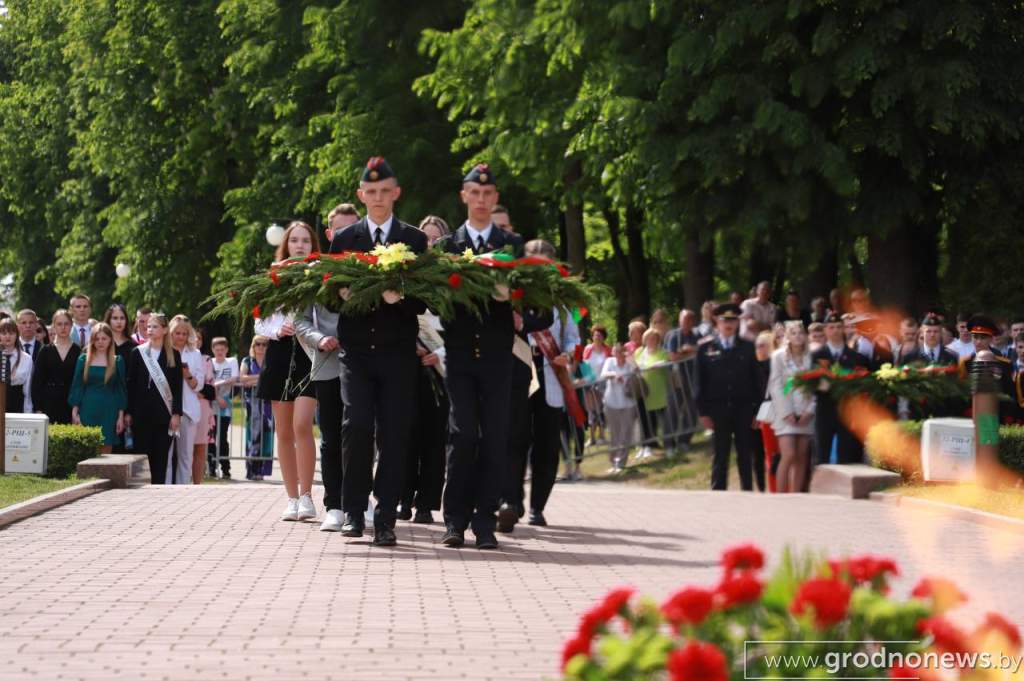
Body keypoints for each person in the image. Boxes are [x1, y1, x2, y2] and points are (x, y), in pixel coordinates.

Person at [329, 157, 428, 546]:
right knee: (355, 426)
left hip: (397, 354)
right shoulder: (345, 239)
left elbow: (423, 300)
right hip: (356, 352)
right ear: (360, 195)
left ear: (396, 193)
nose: (378, 198)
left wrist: (398, 297)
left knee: (394, 433)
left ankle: (385, 515)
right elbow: (328, 297)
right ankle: (355, 511)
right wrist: (341, 295)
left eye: (385, 191)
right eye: (371, 192)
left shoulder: (415, 240)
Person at [438, 162, 521, 550]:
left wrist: (514, 303)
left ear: (496, 198)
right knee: (463, 433)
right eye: (475, 193)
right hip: (459, 355)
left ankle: (484, 522)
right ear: (464, 196)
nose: (482, 200)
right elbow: (430, 299)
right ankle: (454, 520)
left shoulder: (512, 247)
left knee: (493, 438)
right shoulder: (447, 248)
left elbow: (541, 308)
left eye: (489, 194)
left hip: (497, 357)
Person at [256, 221, 320, 522]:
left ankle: (307, 495)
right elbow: (258, 321)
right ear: (286, 244)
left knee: (302, 425)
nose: (299, 245)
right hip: (280, 353)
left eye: (305, 240)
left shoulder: (322, 275)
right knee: (282, 431)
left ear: (312, 244)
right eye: (294, 240)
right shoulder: (273, 276)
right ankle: (292, 498)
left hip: (309, 355)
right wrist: (276, 328)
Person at [294, 288, 346, 527]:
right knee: (331, 438)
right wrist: (319, 339)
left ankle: (360, 498)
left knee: (362, 433)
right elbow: (301, 321)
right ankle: (334, 505)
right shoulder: (316, 280)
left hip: (362, 364)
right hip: (327, 367)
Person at [696, 303, 761, 490]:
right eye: (725, 320)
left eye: (733, 320)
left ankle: (747, 491)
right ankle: (718, 493)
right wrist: (703, 412)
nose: (729, 324)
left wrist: (758, 411)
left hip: (744, 408)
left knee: (744, 452)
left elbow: (757, 382)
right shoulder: (706, 348)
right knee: (720, 453)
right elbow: (699, 382)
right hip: (718, 409)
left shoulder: (748, 347)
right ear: (717, 321)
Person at [125, 313, 183, 485]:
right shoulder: (138, 353)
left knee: (160, 458)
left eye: (155, 326)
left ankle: (158, 491)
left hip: (163, 415)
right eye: (148, 326)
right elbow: (131, 385)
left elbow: (178, 387)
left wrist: (176, 413)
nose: (149, 330)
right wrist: (128, 411)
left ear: (165, 330)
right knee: (142, 456)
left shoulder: (173, 354)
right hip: (141, 414)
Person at [810, 313, 868, 465]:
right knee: (821, 456)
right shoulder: (815, 356)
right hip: (824, 410)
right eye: (831, 327)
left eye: (838, 327)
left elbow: (864, 385)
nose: (835, 330)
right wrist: (818, 386)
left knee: (846, 456)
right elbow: (807, 383)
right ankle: (819, 488)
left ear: (843, 329)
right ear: (825, 330)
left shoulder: (857, 357)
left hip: (846, 412)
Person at [767, 322, 815, 493]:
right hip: (785, 412)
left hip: (806, 411)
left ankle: (796, 495)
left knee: (802, 457)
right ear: (787, 336)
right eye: (793, 333)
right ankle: (781, 496)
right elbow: (776, 385)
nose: (797, 336)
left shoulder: (812, 356)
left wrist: (809, 411)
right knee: (788, 455)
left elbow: (817, 385)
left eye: (800, 332)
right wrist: (786, 412)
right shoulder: (778, 357)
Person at [69, 322, 126, 454]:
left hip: (109, 410)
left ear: (110, 340)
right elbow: (77, 386)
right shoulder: (83, 359)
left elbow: (121, 390)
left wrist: (120, 416)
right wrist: (74, 412)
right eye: (97, 339)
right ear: (92, 340)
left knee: (106, 449)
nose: (100, 342)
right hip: (87, 408)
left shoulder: (117, 361)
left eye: (104, 338)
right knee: (85, 450)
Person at [164, 316, 204, 485]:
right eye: (177, 333)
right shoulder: (163, 351)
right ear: (170, 333)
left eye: (184, 333)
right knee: (165, 454)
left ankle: (183, 491)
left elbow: (199, 384)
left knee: (186, 456)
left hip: (188, 411)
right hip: (166, 408)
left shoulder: (195, 354)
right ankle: (164, 489)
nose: (180, 337)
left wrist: (186, 374)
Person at [958, 315, 1016, 423]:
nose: (978, 342)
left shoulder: (1004, 363)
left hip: (997, 417)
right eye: (975, 337)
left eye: (983, 337)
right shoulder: (965, 363)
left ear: (990, 339)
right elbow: (962, 395)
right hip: (971, 417)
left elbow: (1010, 394)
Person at [31, 309, 81, 425]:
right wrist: (38, 409)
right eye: (59, 324)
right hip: (48, 403)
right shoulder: (45, 351)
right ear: (53, 326)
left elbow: (80, 382)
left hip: (70, 404)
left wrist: (77, 408)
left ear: (71, 325)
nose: (63, 327)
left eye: (66, 324)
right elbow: (37, 381)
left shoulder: (78, 351)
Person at [239, 335, 274, 482]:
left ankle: (262, 469)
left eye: (264, 344)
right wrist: (262, 378)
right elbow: (243, 379)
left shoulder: (271, 360)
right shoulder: (247, 361)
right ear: (253, 346)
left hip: (268, 402)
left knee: (267, 434)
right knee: (254, 434)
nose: (261, 347)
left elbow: (272, 378)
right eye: (258, 344)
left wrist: (254, 379)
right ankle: (252, 469)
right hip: (252, 402)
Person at [601, 343, 638, 472]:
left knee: (626, 434)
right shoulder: (609, 361)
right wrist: (614, 375)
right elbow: (604, 374)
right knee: (614, 434)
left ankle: (621, 462)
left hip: (628, 403)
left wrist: (631, 359)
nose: (617, 355)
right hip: (611, 402)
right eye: (615, 352)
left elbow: (638, 372)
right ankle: (613, 463)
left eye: (620, 352)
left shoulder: (629, 363)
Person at [635, 328, 671, 458]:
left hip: (660, 391)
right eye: (649, 338)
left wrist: (651, 366)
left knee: (666, 422)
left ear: (657, 340)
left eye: (654, 338)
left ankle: (669, 446)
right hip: (644, 392)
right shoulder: (639, 352)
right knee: (647, 421)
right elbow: (634, 366)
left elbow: (664, 362)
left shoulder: (662, 352)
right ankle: (647, 446)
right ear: (645, 340)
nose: (651, 341)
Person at [208, 338, 238, 480]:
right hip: (211, 406)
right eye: (217, 349)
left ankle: (226, 468)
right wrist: (215, 395)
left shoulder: (231, 361)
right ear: (213, 350)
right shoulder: (210, 362)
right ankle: (212, 468)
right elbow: (207, 381)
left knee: (222, 438)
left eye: (222, 349)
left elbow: (234, 378)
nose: (219, 352)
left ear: (226, 350)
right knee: (211, 438)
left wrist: (219, 383)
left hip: (225, 406)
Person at [752, 331, 776, 493]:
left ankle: (774, 485)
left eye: (762, 345)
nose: (759, 348)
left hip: (773, 413)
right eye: (757, 345)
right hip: (755, 415)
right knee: (757, 455)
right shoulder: (751, 365)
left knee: (772, 453)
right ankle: (761, 487)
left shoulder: (775, 364)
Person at [191, 328, 215, 484]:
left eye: (199, 338)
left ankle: (197, 484)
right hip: (185, 405)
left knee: (200, 447)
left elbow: (210, 388)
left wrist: (197, 391)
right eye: (194, 337)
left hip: (203, 407)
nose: (196, 341)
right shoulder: (179, 354)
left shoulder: (207, 360)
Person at [581, 325, 610, 446]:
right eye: (595, 335)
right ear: (592, 337)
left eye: (599, 335)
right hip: (589, 383)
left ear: (603, 337)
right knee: (591, 411)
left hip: (603, 383)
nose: (597, 337)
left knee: (602, 410)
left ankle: (602, 436)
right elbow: (583, 365)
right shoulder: (588, 349)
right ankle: (592, 438)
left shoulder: (608, 350)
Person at [0, 318, 32, 413]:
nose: (8, 336)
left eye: (11, 333)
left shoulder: (26, 358)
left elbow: (28, 390)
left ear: (17, 335)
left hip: (17, 404)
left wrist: (28, 413)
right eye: (4, 333)